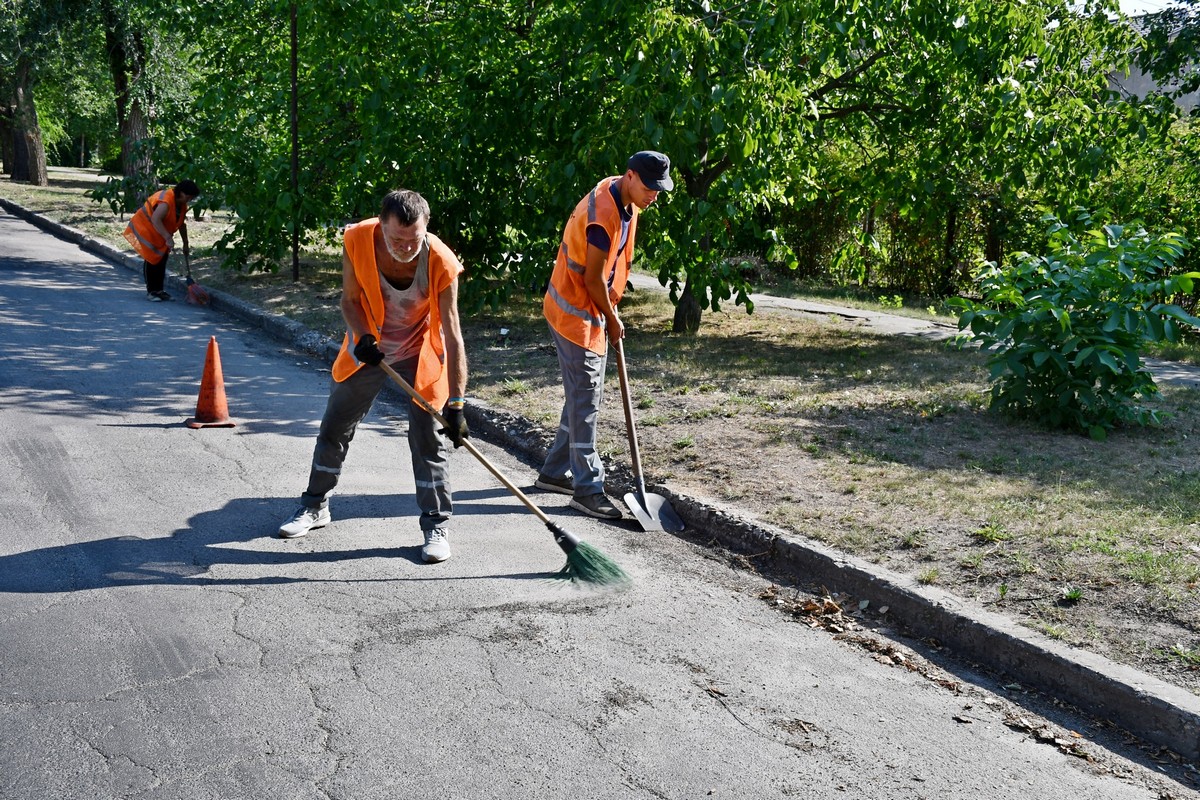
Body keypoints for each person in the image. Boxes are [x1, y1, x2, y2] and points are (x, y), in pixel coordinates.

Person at [278, 189, 471, 563]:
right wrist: (364, 338)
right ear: (380, 225)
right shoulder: (357, 239)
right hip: (371, 346)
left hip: (420, 351)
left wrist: (458, 404)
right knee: (335, 424)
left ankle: (435, 525)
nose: (405, 248)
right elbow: (350, 300)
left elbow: (452, 333)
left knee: (428, 436)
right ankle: (315, 506)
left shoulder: (442, 261)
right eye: (396, 239)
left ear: (426, 228)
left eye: (414, 239)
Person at [536, 151, 674, 519]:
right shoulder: (603, 216)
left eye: (660, 190)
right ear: (629, 175)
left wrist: (609, 312)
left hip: (587, 309)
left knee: (582, 393)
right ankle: (587, 489)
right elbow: (592, 278)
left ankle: (553, 472)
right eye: (649, 187)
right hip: (574, 311)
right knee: (586, 400)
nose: (653, 196)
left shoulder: (625, 197)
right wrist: (613, 318)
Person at [122, 179, 199, 301]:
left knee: (162, 259)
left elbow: (181, 224)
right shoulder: (166, 201)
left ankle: (159, 290)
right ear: (182, 193)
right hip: (146, 228)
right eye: (189, 197)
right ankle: (152, 292)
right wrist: (168, 237)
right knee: (152, 259)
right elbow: (155, 219)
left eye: (192, 198)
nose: (190, 200)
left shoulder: (182, 205)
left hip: (159, 231)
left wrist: (186, 243)